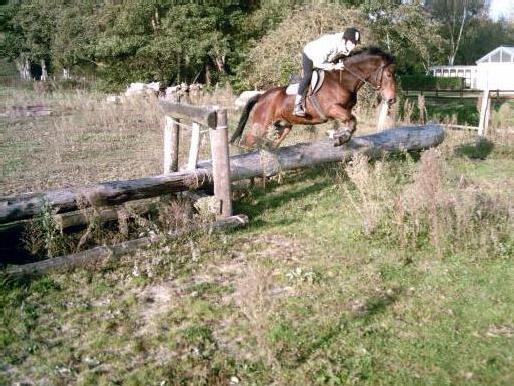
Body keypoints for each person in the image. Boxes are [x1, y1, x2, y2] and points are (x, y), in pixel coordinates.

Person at [294, 27, 361, 117]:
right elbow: (318, 63)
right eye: (352, 42)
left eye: (355, 43)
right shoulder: (331, 45)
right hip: (310, 54)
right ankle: (297, 105)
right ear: (345, 40)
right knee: (308, 75)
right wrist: (334, 66)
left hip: (324, 57)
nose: (353, 46)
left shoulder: (343, 42)